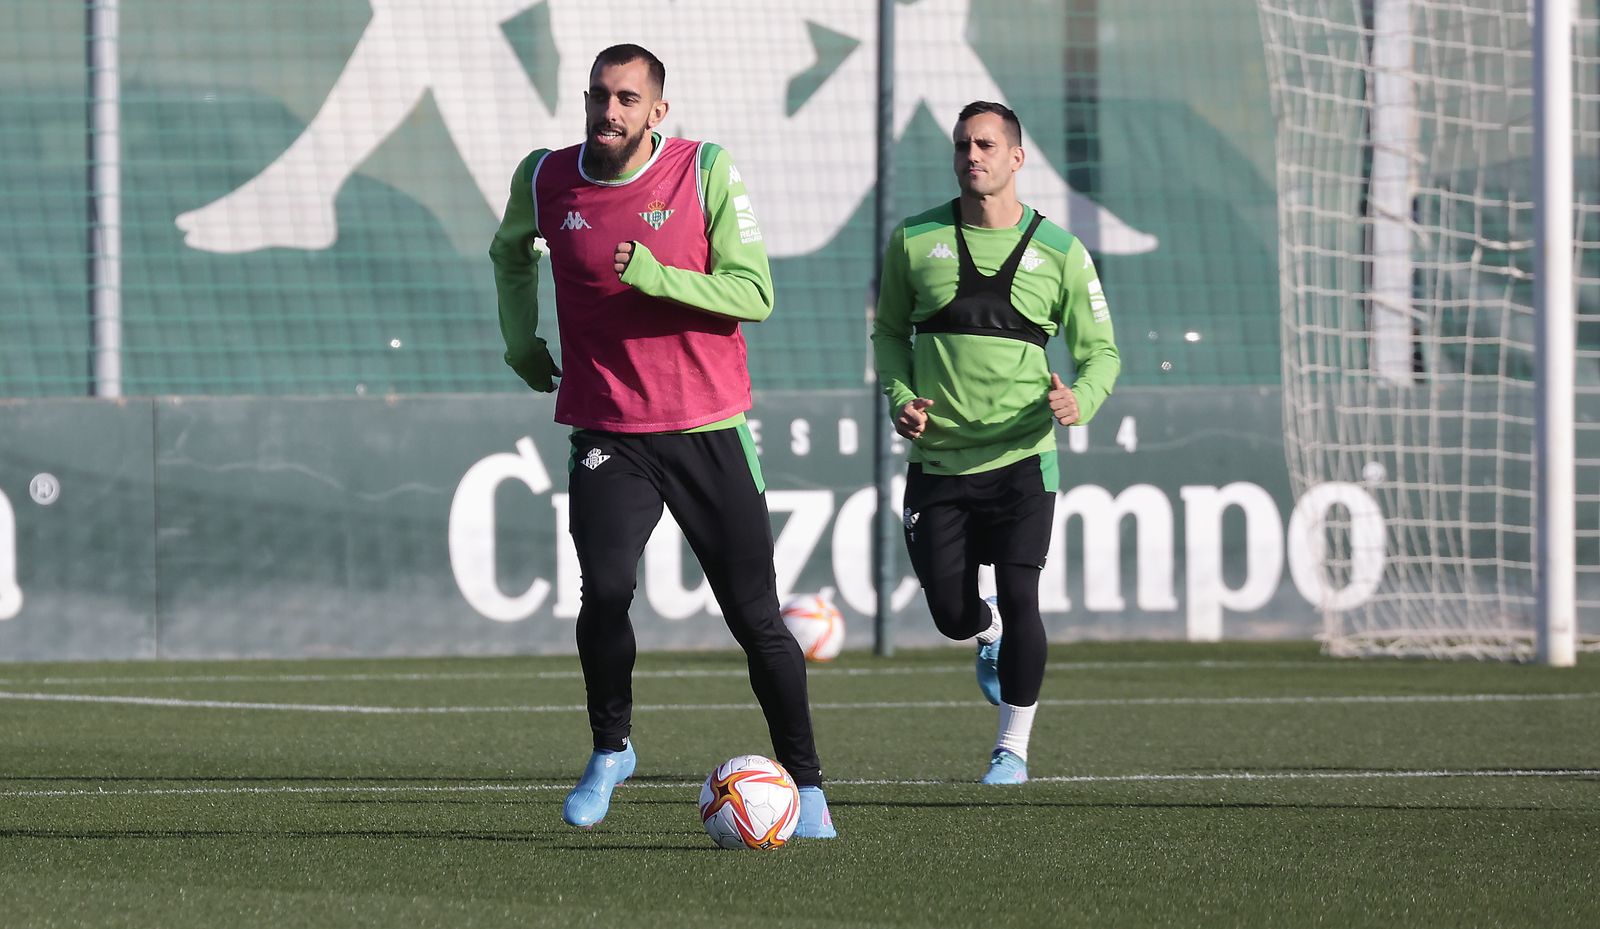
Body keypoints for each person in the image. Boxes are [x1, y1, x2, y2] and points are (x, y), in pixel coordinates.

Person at [489, 43, 835, 836]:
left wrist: (658, 276)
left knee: (754, 616)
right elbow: (508, 252)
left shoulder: (704, 169)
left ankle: (808, 785)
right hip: (610, 429)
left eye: (627, 99)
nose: (610, 112)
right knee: (605, 589)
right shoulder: (546, 176)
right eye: (600, 96)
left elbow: (756, 292)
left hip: (707, 428)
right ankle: (612, 747)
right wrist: (520, 340)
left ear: (656, 111)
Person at [871, 101, 1120, 785]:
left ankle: (1012, 747)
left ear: (1016, 157)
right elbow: (890, 333)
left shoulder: (1062, 251)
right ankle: (985, 639)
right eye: (961, 145)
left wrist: (1082, 398)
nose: (971, 155)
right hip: (939, 461)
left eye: (985, 144)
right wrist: (901, 400)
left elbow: (1102, 354)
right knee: (952, 615)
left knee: (1021, 596)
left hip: (1022, 460)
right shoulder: (915, 241)